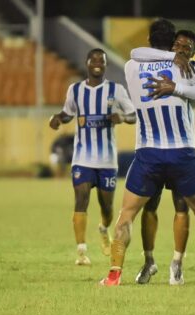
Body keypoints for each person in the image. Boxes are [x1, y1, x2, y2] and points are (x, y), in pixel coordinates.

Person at [100, 19, 195, 286]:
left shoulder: (132, 66)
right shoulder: (191, 68)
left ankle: (114, 275)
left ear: (149, 40)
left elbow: (137, 53)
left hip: (148, 154)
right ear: (172, 44)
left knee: (126, 215)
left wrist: (173, 73)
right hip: (182, 153)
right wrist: (177, 61)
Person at [130, 30, 195, 286]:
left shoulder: (193, 71)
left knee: (181, 207)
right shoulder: (149, 64)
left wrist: (179, 86)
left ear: (193, 52)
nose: (181, 49)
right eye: (177, 44)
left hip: (180, 149)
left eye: (187, 46)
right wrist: (171, 56)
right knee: (149, 206)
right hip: (151, 150)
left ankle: (177, 264)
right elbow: (136, 53)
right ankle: (149, 261)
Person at [49, 48, 135, 266]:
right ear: (87, 63)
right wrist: (57, 118)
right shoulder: (75, 90)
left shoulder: (116, 90)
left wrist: (121, 117)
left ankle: (104, 228)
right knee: (81, 200)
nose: (98, 63)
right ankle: (81, 252)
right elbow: (68, 113)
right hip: (82, 159)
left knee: (107, 208)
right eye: (94, 59)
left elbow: (134, 115)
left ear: (105, 65)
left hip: (106, 161)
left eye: (102, 60)